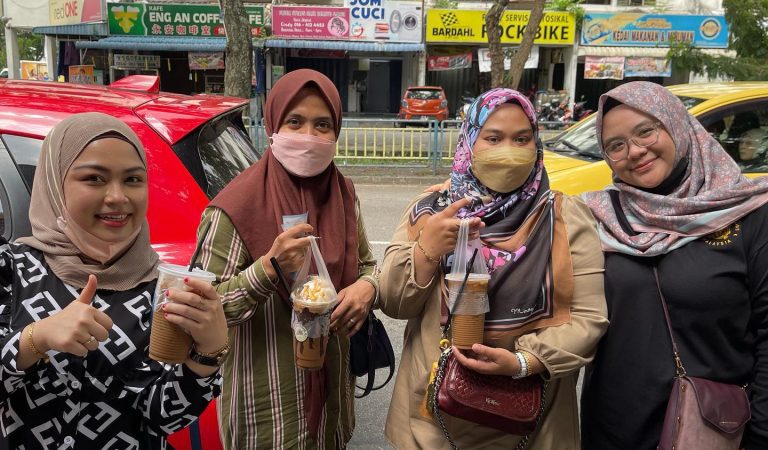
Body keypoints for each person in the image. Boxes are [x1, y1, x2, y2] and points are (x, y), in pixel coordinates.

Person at [379, 88, 609, 449]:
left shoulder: (565, 218)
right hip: (432, 421)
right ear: (469, 143)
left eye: (522, 139)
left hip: (533, 422)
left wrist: (524, 361)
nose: (509, 151)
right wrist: (427, 248)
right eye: (493, 138)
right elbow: (393, 301)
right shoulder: (432, 210)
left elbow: (588, 318)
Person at [0, 112, 229, 449]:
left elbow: (161, 416)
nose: (118, 197)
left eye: (133, 180)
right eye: (94, 178)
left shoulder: (161, 289)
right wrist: (36, 338)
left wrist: (208, 355)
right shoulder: (11, 270)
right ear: (55, 183)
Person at [579, 81, 768, 449]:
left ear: (678, 126)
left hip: (718, 430)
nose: (635, 151)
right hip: (615, 430)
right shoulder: (598, 217)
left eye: (646, 131)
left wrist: (761, 433)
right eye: (616, 146)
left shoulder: (748, 215)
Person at [196, 69, 378, 449]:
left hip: (333, 409)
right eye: (295, 122)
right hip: (269, 417)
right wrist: (266, 268)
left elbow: (366, 265)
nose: (309, 136)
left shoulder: (343, 195)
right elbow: (202, 312)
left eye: (322, 125)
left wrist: (366, 288)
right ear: (274, 123)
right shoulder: (233, 209)